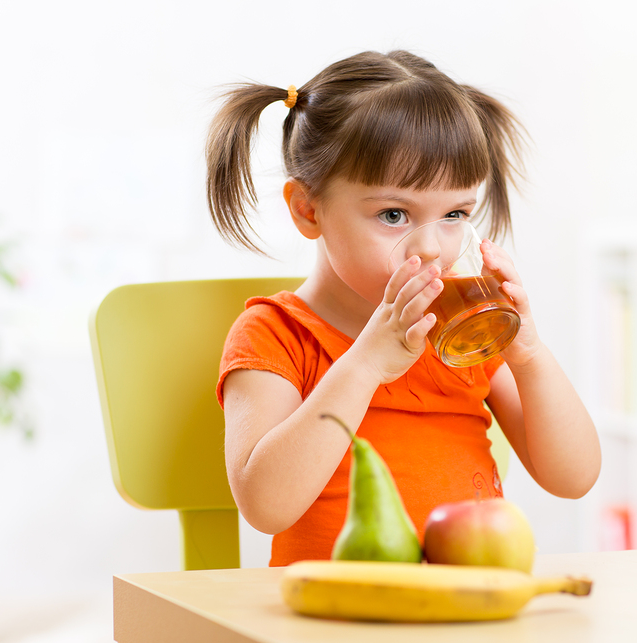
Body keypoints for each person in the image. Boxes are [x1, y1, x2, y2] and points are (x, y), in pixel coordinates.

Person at [207, 50, 601, 566]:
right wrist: (367, 363)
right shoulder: (276, 333)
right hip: (332, 615)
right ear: (308, 209)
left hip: (466, 602)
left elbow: (574, 477)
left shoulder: (460, 329)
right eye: (394, 214)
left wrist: (529, 356)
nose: (432, 247)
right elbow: (266, 506)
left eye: (455, 213)